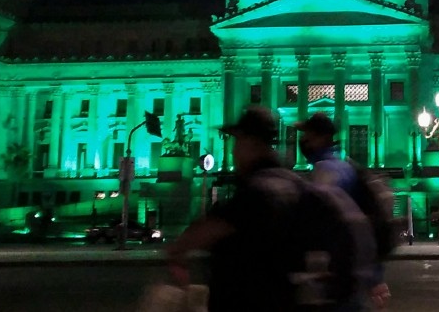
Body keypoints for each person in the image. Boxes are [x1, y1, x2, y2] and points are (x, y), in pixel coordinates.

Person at [167, 107, 372, 311]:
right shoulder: (298, 185)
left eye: (236, 141)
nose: (233, 150)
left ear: (250, 142)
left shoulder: (256, 191)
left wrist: (178, 252)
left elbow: (207, 231)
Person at [297, 113, 392, 309]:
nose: (303, 140)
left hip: (337, 277)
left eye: (308, 134)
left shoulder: (326, 172)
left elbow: (328, 225)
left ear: (322, 137)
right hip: (349, 276)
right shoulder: (344, 167)